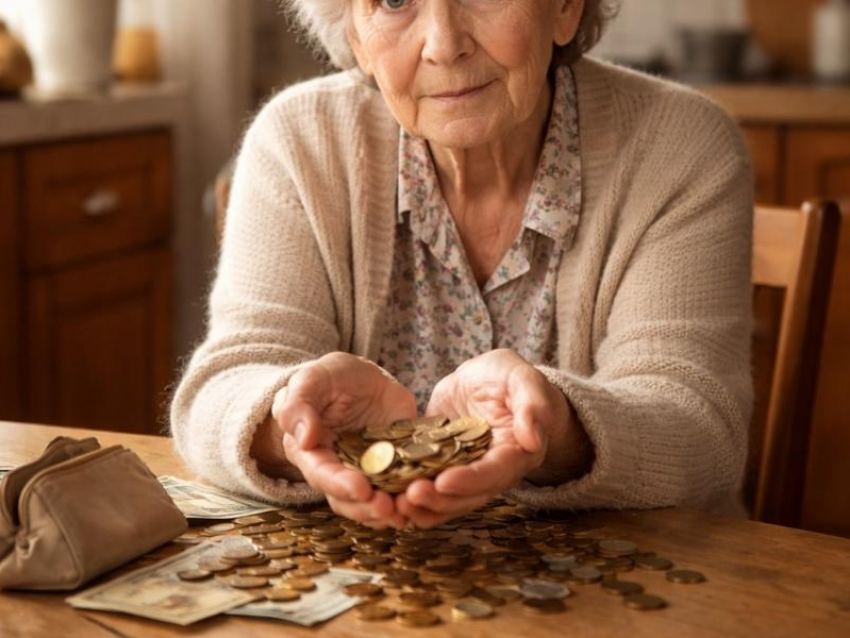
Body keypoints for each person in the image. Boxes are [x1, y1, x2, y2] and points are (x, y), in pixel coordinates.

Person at [171, 0, 754, 530]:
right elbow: (221, 388)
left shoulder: (681, 145)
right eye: (394, 0)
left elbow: (700, 428)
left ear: (565, 9)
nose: (444, 44)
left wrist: (557, 428)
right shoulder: (300, 142)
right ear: (355, 32)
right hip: (367, 593)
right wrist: (291, 423)